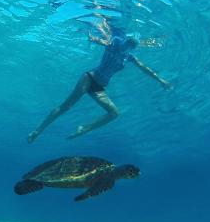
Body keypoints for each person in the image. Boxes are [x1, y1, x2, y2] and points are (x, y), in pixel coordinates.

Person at [27, 18, 172, 142]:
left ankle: (84, 128)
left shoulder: (129, 58)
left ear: (134, 48)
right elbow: (103, 41)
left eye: (132, 46)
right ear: (126, 40)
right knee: (66, 106)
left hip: (100, 89)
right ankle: (38, 131)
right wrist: (93, 38)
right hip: (89, 79)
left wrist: (161, 80)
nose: (129, 46)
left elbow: (145, 69)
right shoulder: (114, 43)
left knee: (114, 113)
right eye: (129, 43)